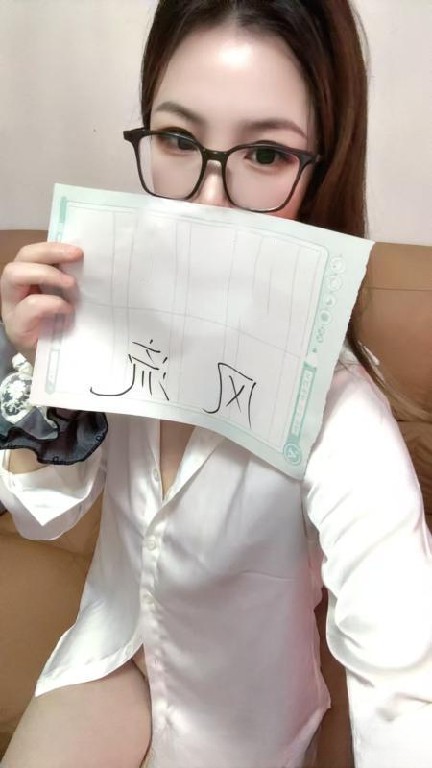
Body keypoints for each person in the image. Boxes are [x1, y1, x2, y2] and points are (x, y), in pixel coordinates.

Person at [1, 1, 431, 767]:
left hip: (241, 724)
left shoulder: (339, 411)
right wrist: (39, 369)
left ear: (321, 170)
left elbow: (403, 675)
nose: (208, 201)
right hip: (106, 655)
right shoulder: (114, 321)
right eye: (177, 139)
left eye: (265, 154)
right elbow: (43, 514)